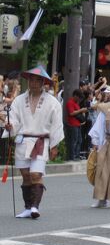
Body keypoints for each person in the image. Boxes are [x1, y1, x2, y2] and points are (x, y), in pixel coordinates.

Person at [6, 66, 64, 219]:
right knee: (25, 175)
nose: (33, 83)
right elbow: (14, 120)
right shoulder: (19, 100)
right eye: (31, 79)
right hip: (23, 140)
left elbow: (56, 124)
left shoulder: (53, 102)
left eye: (37, 80)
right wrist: (9, 125)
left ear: (43, 82)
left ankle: (34, 207)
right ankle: (27, 207)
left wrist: (54, 145)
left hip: (40, 141)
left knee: (36, 173)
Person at [65, 89, 88, 161]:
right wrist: (81, 110)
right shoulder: (70, 102)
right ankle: (72, 156)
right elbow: (71, 113)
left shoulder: (76, 103)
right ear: (75, 96)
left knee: (79, 140)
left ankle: (77, 155)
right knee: (74, 141)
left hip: (78, 124)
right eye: (79, 97)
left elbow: (78, 113)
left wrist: (82, 113)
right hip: (72, 124)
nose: (79, 99)